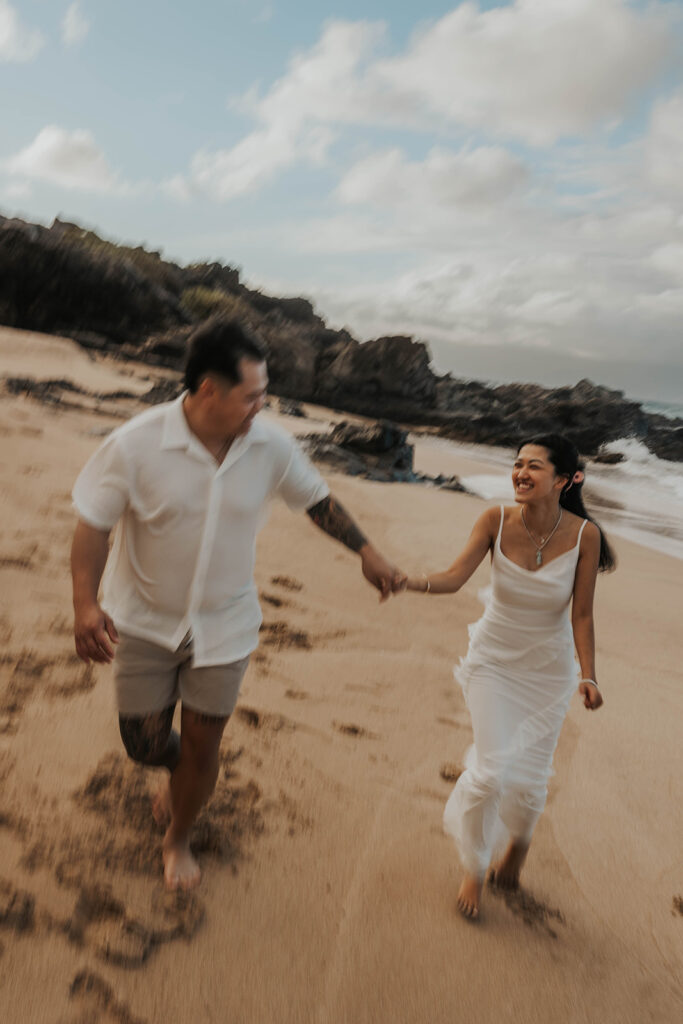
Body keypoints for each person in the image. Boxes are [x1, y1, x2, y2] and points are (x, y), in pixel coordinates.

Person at [71, 317, 403, 891]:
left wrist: (366, 552)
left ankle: (179, 836)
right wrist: (84, 605)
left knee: (205, 742)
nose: (262, 405)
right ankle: (173, 768)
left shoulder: (270, 445)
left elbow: (317, 500)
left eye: (263, 394)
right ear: (208, 390)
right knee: (144, 743)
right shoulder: (135, 445)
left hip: (226, 627)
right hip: (145, 622)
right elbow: (93, 528)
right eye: (252, 395)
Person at [400, 434, 614, 919]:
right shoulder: (494, 519)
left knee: (533, 778)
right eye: (517, 464)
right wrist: (410, 581)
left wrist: (590, 676)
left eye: (534, 466)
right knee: (490, 773)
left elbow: (581, 615)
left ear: (564, 480)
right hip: (493, 662)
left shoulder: (585, 536)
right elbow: (455, 578)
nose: (520, 473)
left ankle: (519, 844)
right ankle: (474, 867)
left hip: (548, 672)